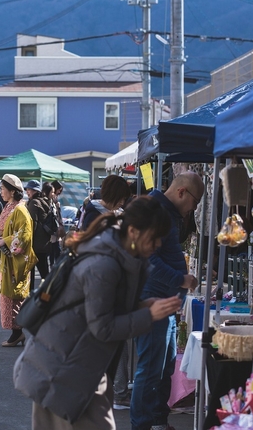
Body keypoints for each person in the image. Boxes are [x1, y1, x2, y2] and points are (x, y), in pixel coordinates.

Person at [14, 197, 182, 429]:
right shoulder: (105, 264)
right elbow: (102, 327)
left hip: (77, 369)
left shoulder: (114, 253)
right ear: (133, 231)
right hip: (63, 374)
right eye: (155, 238)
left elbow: (101, 310)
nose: (158, 245)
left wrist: (142, 307)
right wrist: (148, 315)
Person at [131, 171, 203, 430]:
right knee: (150, 370)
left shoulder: (166, 211)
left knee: (162, 369)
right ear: (182, 192)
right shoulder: (155, 209)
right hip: (154, 302)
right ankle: (142, 425)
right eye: (194, 203)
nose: (192, 210)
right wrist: (181, 279)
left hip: (164, 303)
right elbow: (148, 259)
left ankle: (158, 422)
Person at [0, 174, 37, 347]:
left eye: (2, 189)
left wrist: (5, 241)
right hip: (7, 258)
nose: (0, 191)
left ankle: (17, 332)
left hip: (14, 260)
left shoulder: (20, 210)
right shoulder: (9, 206)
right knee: (8, 294)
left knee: (14, 295)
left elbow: (24, 235)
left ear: (12, 191)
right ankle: (16, 332)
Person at [25, 180, 53, 290]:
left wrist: (27, 241)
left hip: (35, 243)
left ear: (35, 191)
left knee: (30, 272)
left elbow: (32, 224)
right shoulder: (45, 201)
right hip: (44, 242)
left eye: (29, 189)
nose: (27, 192)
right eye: (27, 189)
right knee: (44, 272)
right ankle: (50, 292)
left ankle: (31, 295)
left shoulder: (33, 203)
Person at [49, 180, 66, 266]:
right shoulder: (52, 198)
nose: (59, 191)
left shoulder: (54, 197)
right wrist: (56, 206)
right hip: (54, 225)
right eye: (59, 189)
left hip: (55, 225)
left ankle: (54, 264)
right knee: (55, 248)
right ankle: (55, 265)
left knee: (55, 247)